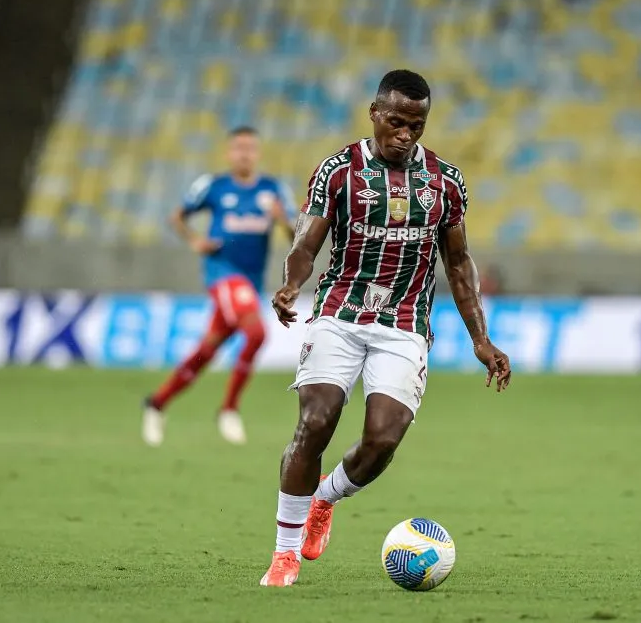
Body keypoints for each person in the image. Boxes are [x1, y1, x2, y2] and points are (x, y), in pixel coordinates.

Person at [259, 70, 512, 587]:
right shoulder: (338, 171)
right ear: (374, 113)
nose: (405, 134)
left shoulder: (445, 182)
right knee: (316, 420)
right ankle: (284, 555)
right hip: (340, 313)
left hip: (404, 322)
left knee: (382, 439)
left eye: (416, 126)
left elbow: (458, 262)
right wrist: (290, 285)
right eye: (396, 122)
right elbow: (306, 244)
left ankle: (325, 498)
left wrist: (481, 339)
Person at [141, 127, 296, 446]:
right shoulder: (214, 186)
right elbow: (177, 216)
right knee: (256, 333)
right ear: (229, 152)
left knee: (206, 351)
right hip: (223, 274)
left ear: (257, 153)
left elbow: (298, 236)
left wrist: (282, 220)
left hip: (251, 281)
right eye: (238, 148)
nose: (244, 154)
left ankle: (157, 403)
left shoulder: (274, 190)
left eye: (250, 148)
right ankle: (229, 409)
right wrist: (195, 241)